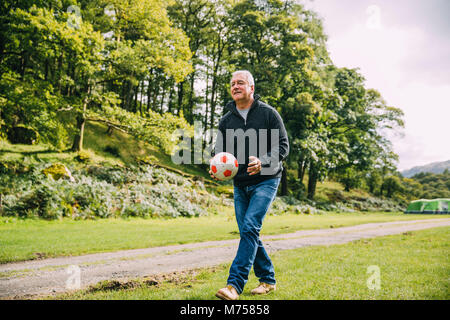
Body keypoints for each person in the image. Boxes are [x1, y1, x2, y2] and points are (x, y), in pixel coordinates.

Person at [210, 70, 289, 300]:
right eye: (232, 83)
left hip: (267, 180)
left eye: (240, 83)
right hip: (240, 184)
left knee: (250, 227)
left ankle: (234, 286)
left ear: (251, 88)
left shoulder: (268, 114)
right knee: (249, 231)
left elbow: (283, 146)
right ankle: (268, 279)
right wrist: (215, 165)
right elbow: (219, 151)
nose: (235, 86)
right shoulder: (226, 120)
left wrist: (262, 161)